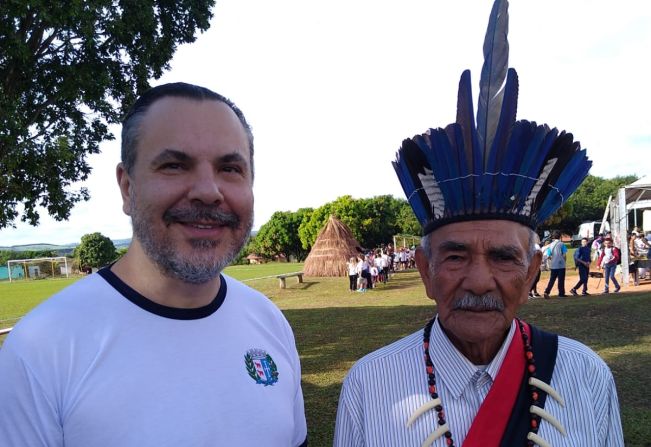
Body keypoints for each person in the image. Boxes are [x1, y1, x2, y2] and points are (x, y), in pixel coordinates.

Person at [333, 1, 624, 445]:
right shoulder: (369, 386)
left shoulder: (587, 377)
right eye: (455, 255)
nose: (479, 281)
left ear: (531, 272)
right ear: (425, 270)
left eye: (504, 257)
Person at [0, 83, 308, 446]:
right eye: (175, 165)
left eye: (230, 168)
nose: (209, 191)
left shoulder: (270, 323)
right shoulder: (41, 349)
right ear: (127, 187)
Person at [542, 230, 568, 298]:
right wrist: (564, 261)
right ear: (560, 236)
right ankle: (561, 293)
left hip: (554, 265)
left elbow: (548, 255)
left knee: (552, 279)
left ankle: (547, 292)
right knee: (561, 280)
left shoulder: (550, 245)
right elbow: (564, 255)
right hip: (561, 265)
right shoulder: (562, 244)